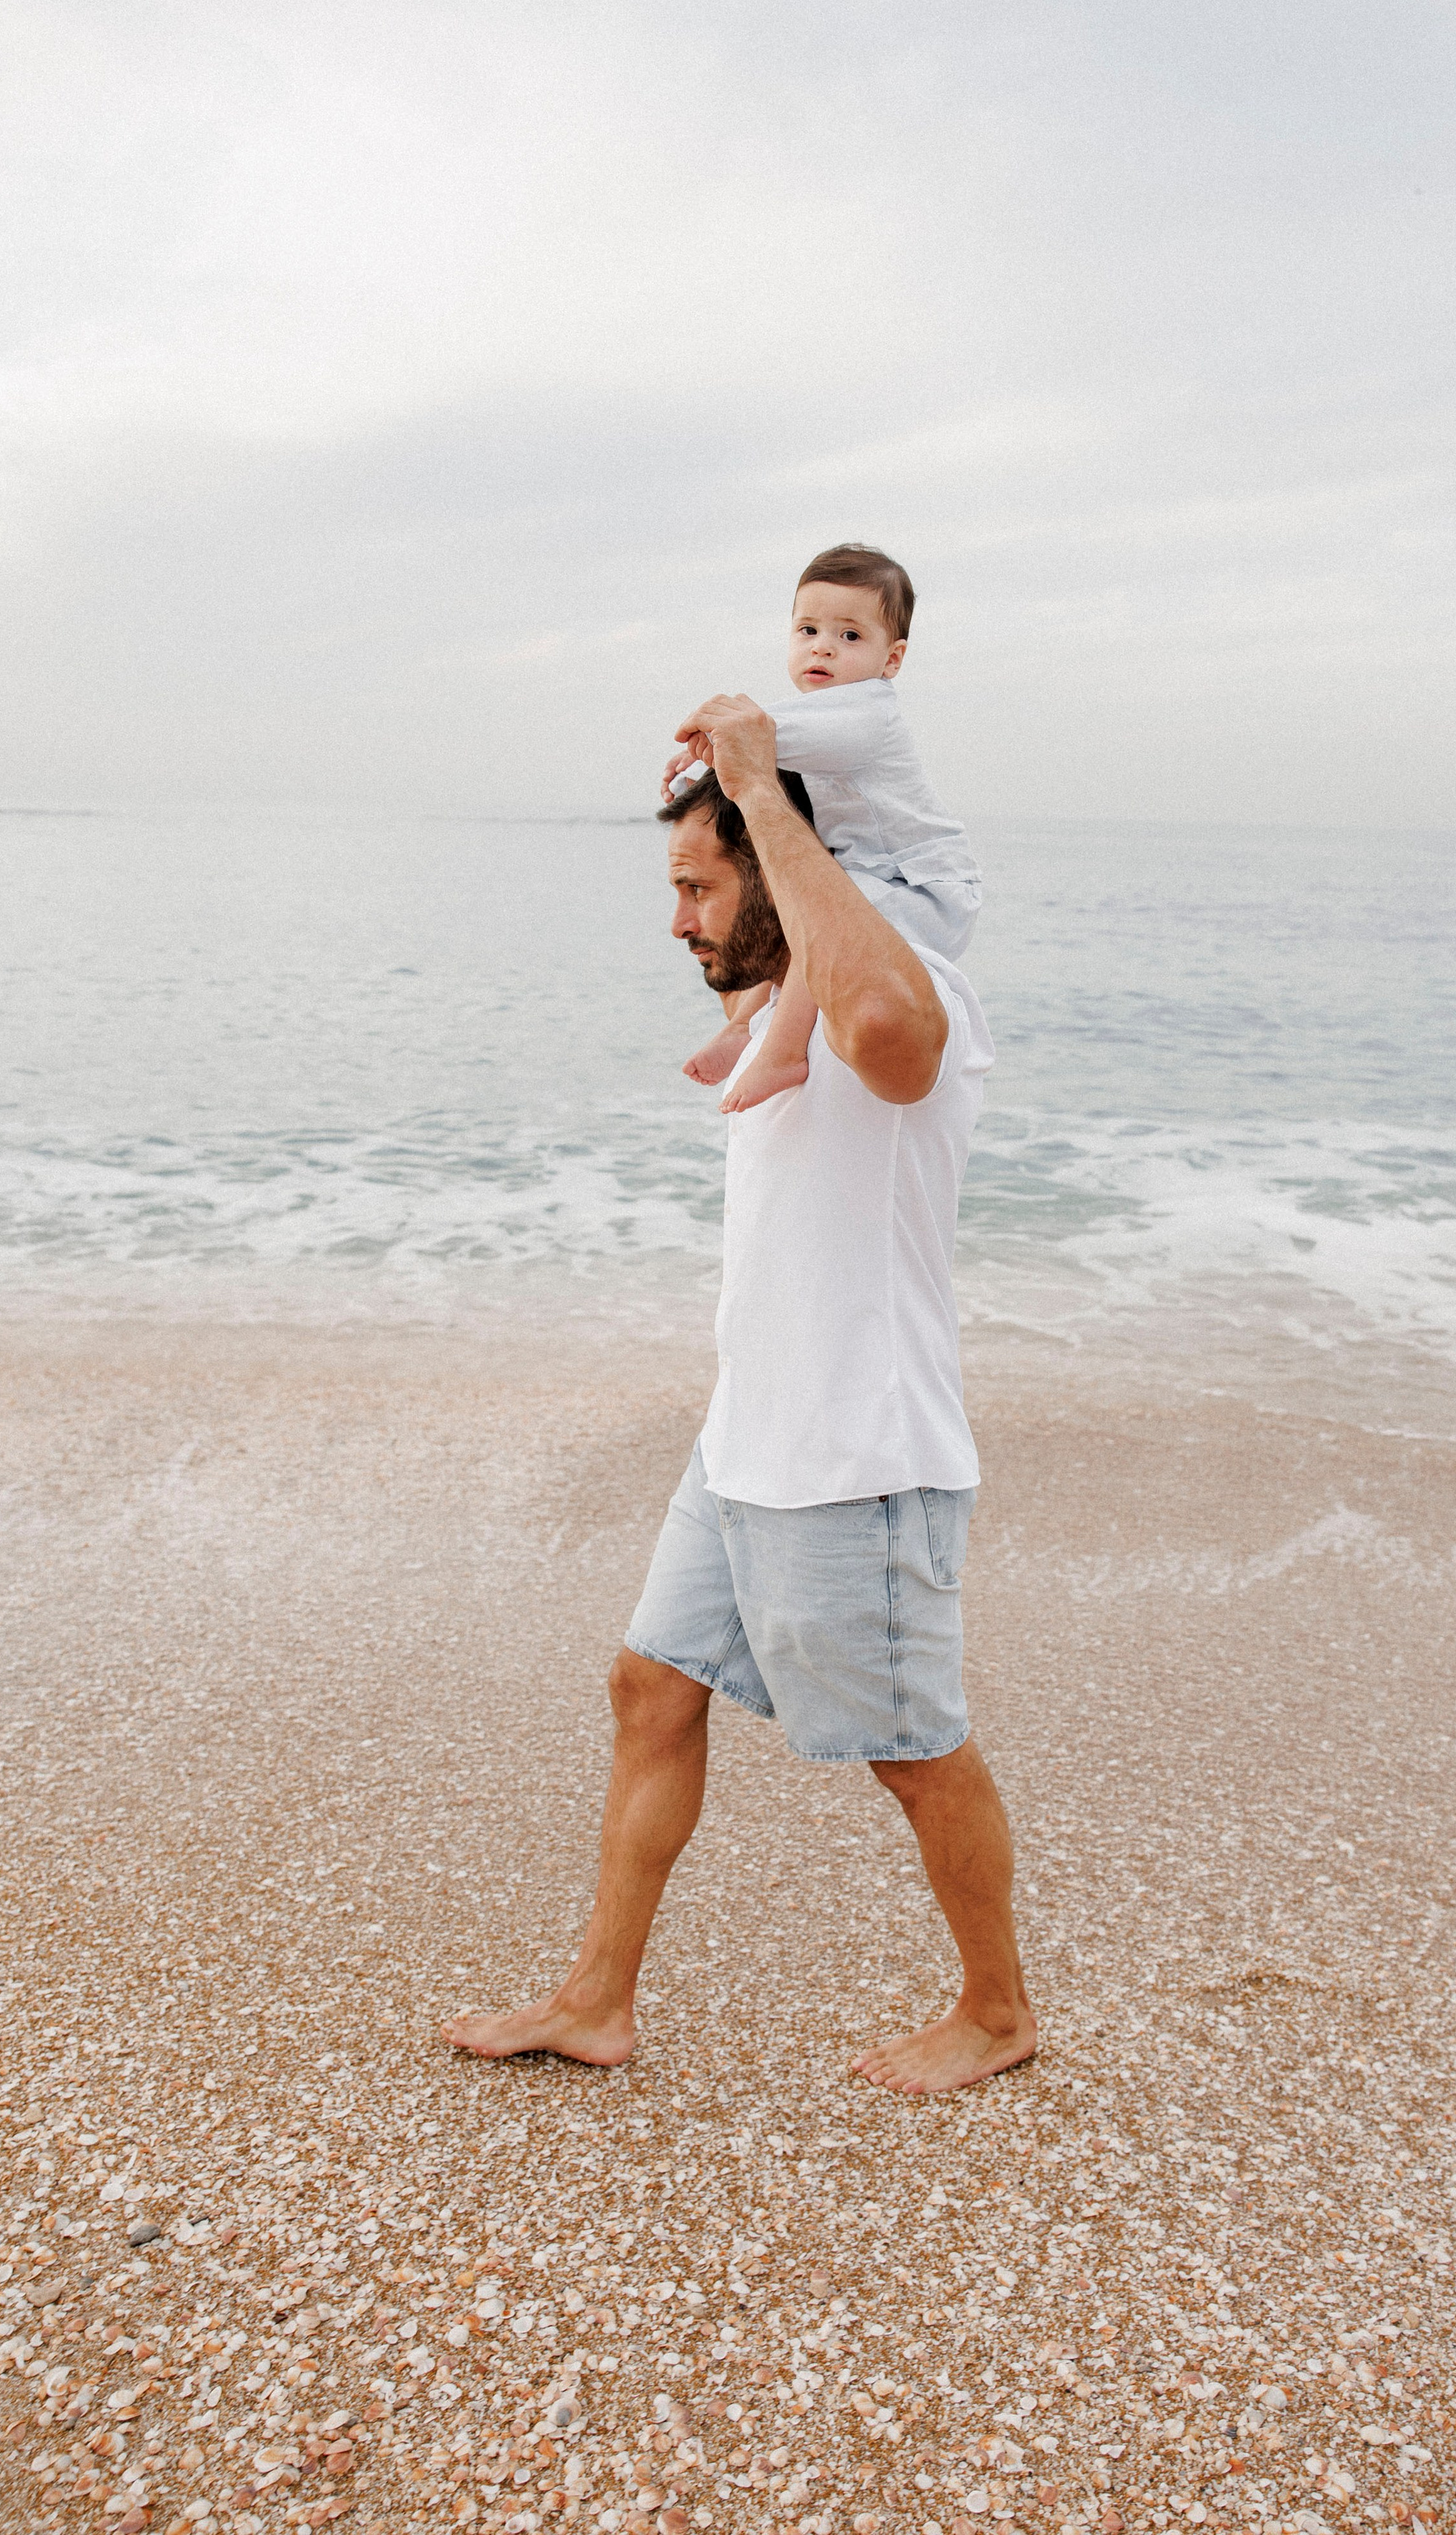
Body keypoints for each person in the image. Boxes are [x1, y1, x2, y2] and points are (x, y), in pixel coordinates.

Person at [443, 694, 1034, 2096]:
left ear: (779, 866)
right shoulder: (780, 1002)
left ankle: (999, 2013)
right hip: (745, 1440)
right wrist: (741, 798)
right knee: (650, 1689)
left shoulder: (903, 990)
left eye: (698, 887)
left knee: (909, 1751)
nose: (679, 921)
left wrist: (768, 797)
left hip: (855, 1452)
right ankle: (595, 1999)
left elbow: (886, 1027)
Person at [670, 541, 981, 1114]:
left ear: (892, 659)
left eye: (851, 636)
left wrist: (699, 745)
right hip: (873, 872)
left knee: (826, 915)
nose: (824, 648)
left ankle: (785, 1049)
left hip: (924, 885)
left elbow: (758, 736)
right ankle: (747, 1025)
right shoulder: (822, 715)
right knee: (797, 906)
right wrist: (704, 754)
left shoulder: (868, 713)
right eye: (807, 630)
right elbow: (761, 739)